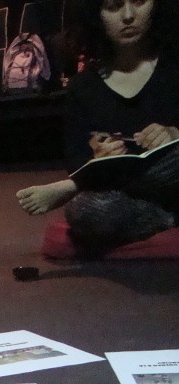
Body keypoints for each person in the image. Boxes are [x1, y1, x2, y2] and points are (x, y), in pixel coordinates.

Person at [16, 0, 179, 254]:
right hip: (131, 198)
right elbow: (76, 161)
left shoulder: (174, 66)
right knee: (83, 211)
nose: (128, 16)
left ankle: (72, 187)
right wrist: (98, 158)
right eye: (113, 6)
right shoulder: (83, 88)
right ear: (96, 16)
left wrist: (174, 133)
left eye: (139, 2)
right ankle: (168, 218)